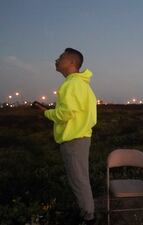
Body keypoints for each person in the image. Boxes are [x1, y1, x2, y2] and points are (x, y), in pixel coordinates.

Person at [34, 48, 97, 225]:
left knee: (78, 181)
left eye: (61, 57)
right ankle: (87, 213)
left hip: (74, 140)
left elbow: (65, 114)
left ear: (71, 62)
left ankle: (88, 218)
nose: (56, 59)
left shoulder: (72, 84)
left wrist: (46, 113)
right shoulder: (82, 84)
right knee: (80, 179)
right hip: (81, 138)